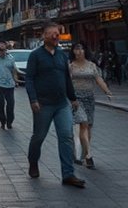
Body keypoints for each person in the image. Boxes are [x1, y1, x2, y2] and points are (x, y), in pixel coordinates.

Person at [24, 23, 86, 188]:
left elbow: (66, 78)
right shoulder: (36, 55)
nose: (55, 36)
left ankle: (68, 174)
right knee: (38, 137)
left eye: (57, 34)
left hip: (61, 104)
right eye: (51, 34)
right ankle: (33, 162)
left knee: (66, 136)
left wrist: (72, 98)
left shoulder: (62, 55)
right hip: (43, 105)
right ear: (44, 36)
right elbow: (29, 79)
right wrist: (33, 100)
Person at [69, 41, 112, 168]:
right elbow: (67, 82)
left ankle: (82, 153)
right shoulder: (70, 66)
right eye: (76, 49)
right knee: (83, 124)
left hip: (89, 98)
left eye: (81, 49)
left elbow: (98, 79)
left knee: (88, 127)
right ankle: (89, 156)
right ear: (73, 51)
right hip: (76, 100)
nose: (79, 51)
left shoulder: (92, 66)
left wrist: (107, 91)